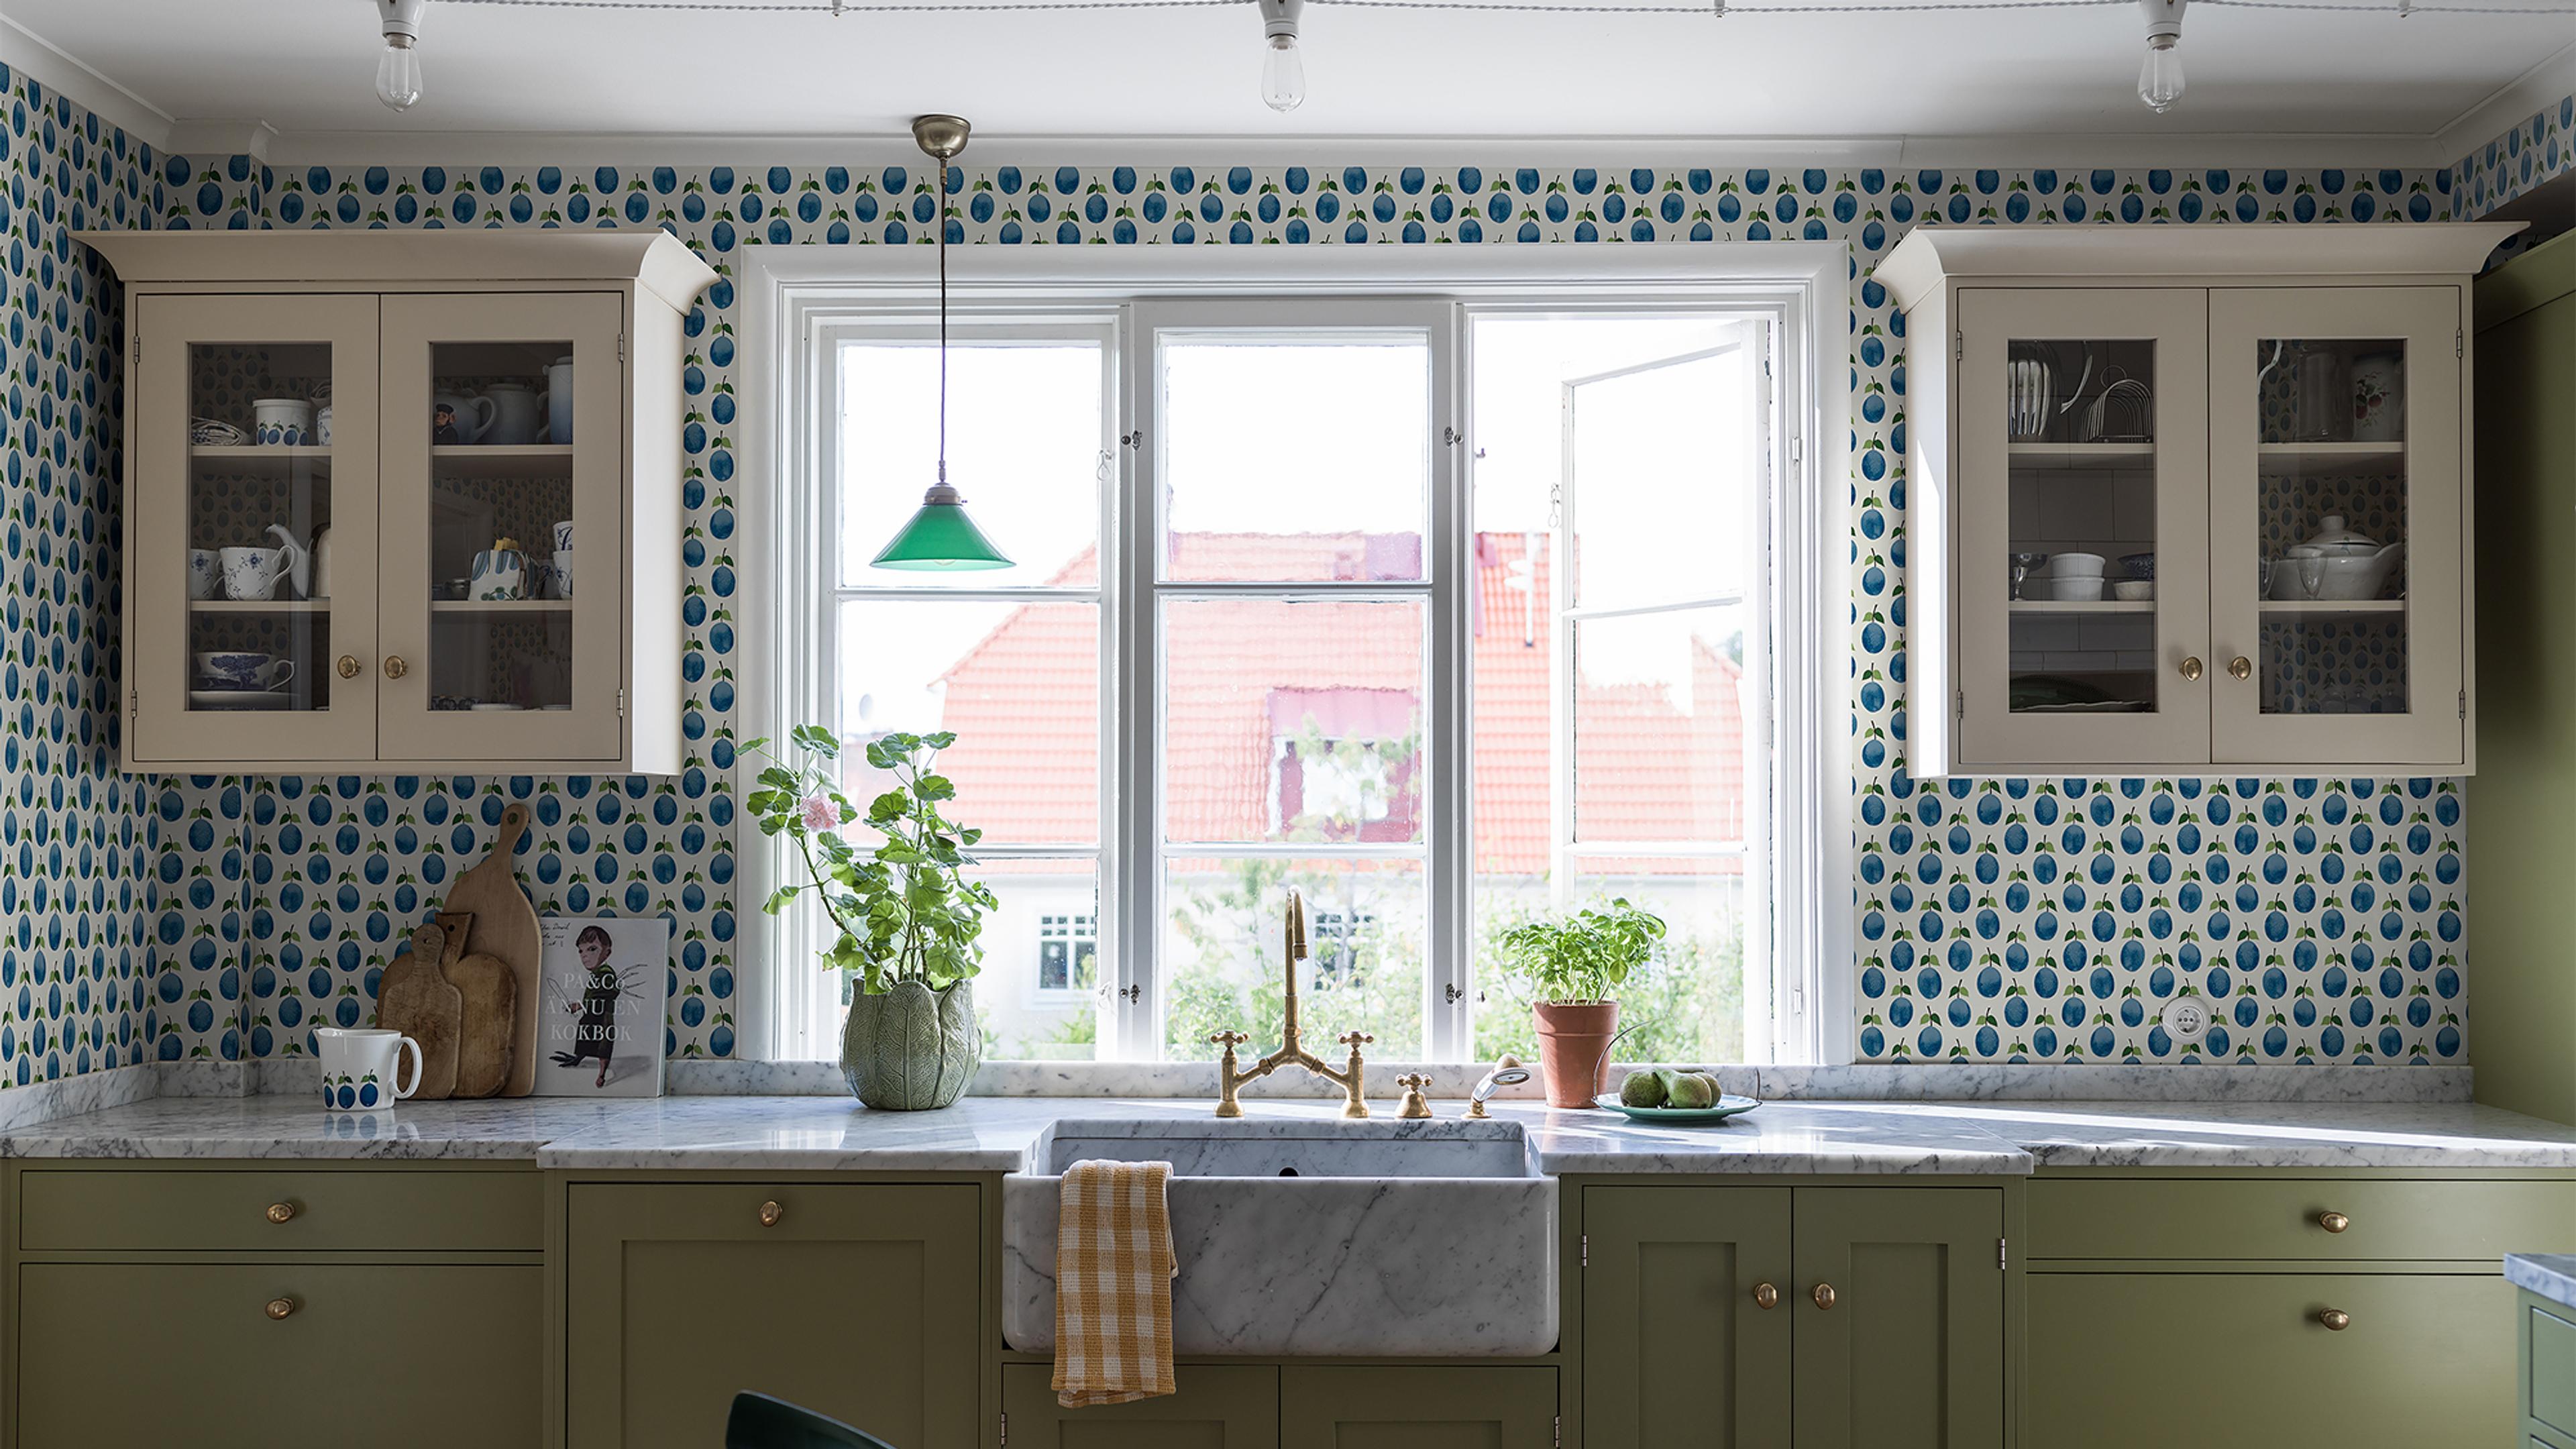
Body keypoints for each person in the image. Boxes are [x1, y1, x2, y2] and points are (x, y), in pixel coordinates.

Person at [551, 924, 621, 1088]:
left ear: (607, 952)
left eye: (592, 950)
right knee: (585, 1032)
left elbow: (607, 992)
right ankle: (578, 1058)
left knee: (603, 1042)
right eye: (581, 951)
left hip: (603, 1016)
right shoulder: (596, 973)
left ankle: (602, 1074)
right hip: (591, 1014)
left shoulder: (606, 973)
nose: (585, 956)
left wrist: (580, 1005)